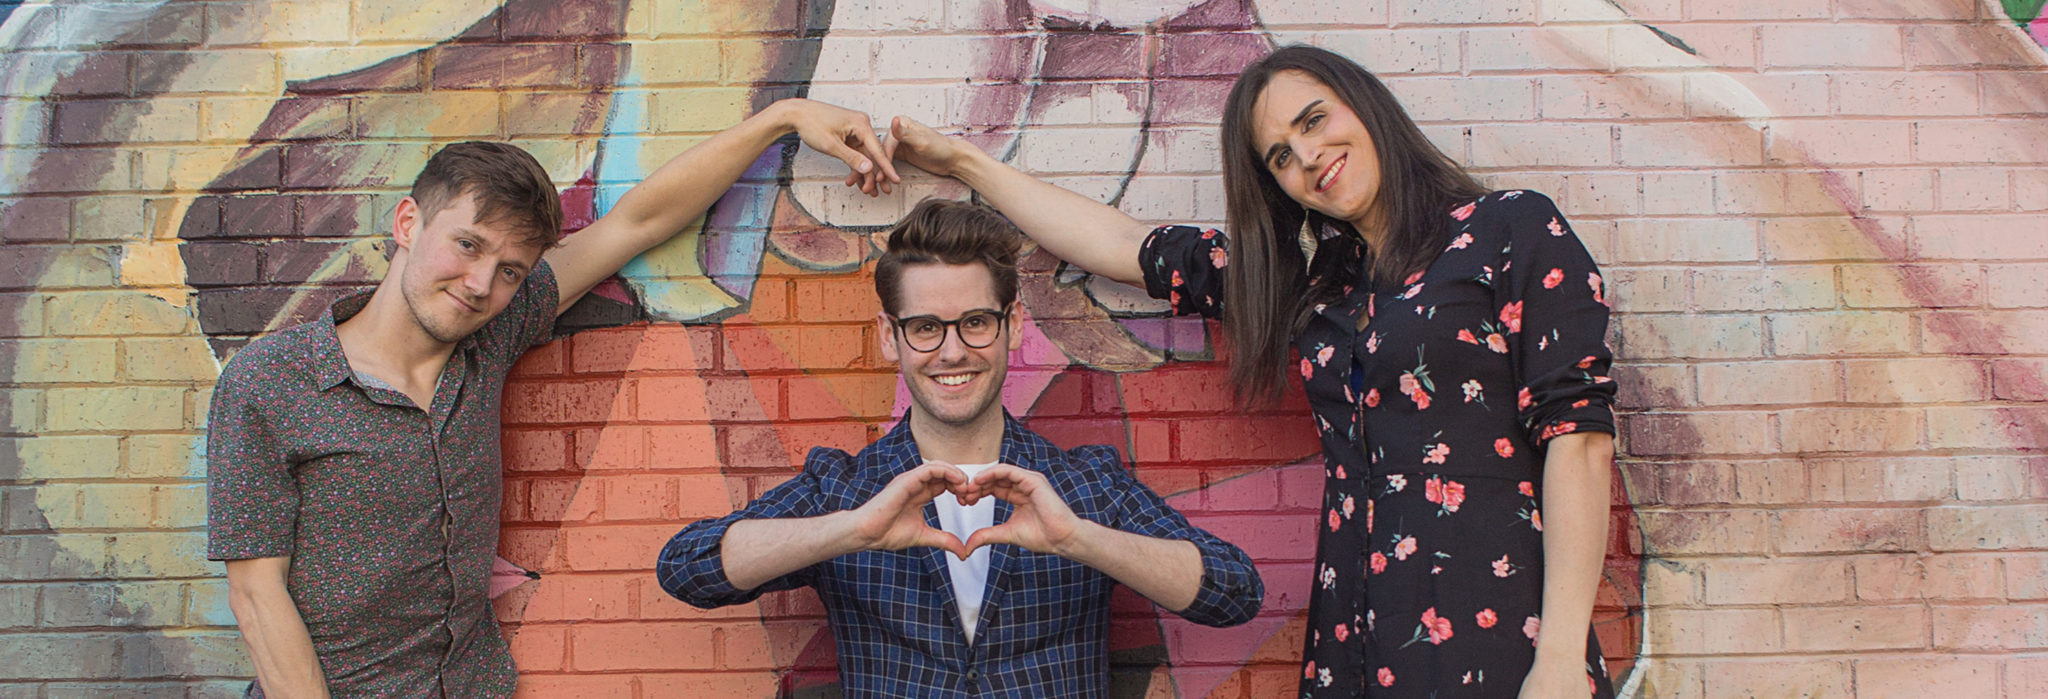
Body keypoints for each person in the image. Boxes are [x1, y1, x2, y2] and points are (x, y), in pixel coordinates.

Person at [885, 45, 1618, 698]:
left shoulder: (1508, 229)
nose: (1308, 157)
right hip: (1356, 636)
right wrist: (963, 164)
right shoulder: (1310, 283)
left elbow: (1578, 438)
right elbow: (1125, 246)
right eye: (1280, 156)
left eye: (1314, 121)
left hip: (1497, 629)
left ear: (1365, 105)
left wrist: (1558, 656)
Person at [204, 98, 900, 698]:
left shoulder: (491, 336)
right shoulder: (272, 381)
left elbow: (637, 222)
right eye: (466, 245)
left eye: (508, 269)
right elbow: (258, 596)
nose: (480, 283)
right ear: (409, 222)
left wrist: (781, 118)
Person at [655, 198, 1263, 698]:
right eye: (925, 328)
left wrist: (1077, 538)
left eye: (976, 322)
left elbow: (1234, 593)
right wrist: (851, 531)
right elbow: (687, 569)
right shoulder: (841, 489)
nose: (952, 352)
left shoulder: (1083, 484)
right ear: (890, 338)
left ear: (1013, 324)